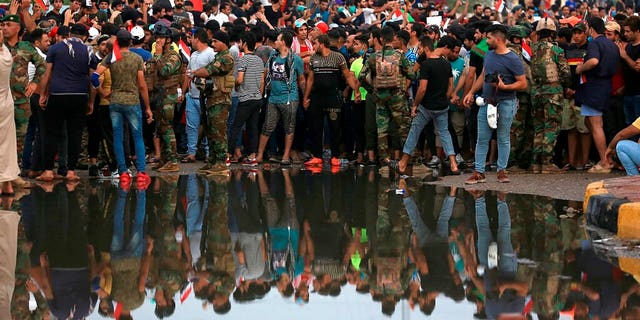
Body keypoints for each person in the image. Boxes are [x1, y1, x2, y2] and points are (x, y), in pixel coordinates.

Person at [463, 24, 527, 184]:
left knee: (503, 137)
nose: (486, 40)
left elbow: (523, 83)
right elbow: (483, 75)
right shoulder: (489, 55)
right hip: (486, 102)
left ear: (498, 39)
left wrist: (505, 87)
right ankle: (479, 172)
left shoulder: (513, 58)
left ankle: (502, 171)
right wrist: (471, 92)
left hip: (506, 102)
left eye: (489, 37)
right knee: (482, 138)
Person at [92, 29, 153, 188]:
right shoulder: (137, 58)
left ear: (117, 42)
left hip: (115, 102)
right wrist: (147, 107)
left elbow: (94, 76)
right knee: (137, 137)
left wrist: (103, 93)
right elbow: (141, 85)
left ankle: (123, 173)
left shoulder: (112, 58)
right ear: (131, 42)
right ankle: (141, 173)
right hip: (132, 101)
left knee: (117, 137)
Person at [37, 24, 94, 182]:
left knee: (52, 132)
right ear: (84, 36)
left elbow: (47, 74)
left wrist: (43, 94)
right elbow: (92, 78)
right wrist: (91, 100)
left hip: (58, 94)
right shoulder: (89, 51)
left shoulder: (55, 48)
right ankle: (70, 172)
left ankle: (48, 170)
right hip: (79, 95)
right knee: (75, 133)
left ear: (69, 34)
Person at [398, 36, 460, 176]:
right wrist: (444, 99)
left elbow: (422, 89)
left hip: (426, 106)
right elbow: (450, 87)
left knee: (414, 131)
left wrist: (415, 105)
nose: (418, 51)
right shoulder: (446, 64)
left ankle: (402, 163)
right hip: (442, 106)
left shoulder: (426, 65)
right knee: (445, 133)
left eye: (420, 49)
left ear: (426, 48)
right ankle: (454, 164)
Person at [303, 34, 360, 166]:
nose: (314, 46)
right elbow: (310, 79)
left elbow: (347, 76)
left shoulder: (338, 57)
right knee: (316, 127)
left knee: (335, 127)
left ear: (322, 44)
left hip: (333, 97)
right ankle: (317, 155)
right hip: (316, 97)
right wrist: (306, 97)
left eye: (315, 43)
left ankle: (335, 156)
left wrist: (356, 90)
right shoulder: (314, 58)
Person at [575, 17, 620, 173]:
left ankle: (604, 161)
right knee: (590, 121)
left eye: (586, 26)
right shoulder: (613, 45)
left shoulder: (595, 43)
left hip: (595, 87)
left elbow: (593, 61)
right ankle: (607, 156)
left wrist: (581, 68)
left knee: (596, 125)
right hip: (605, 85)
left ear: (592, 29)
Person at [256, 31, 305, 165]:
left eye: (278, 40)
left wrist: (305, 96)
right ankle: (259, 155)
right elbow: (266, 72)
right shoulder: (273, 55)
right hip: (273, 98)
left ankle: (285, 155)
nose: (275, 42)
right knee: (268, 126)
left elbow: (301, 79)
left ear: (283, 42)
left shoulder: (296, 59)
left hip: (289, 98)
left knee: (289, 127)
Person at [530, 18, 571, 173]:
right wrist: (566, 86)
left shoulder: (533, 50)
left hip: (536, 94)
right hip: (553, 95)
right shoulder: (557, 50)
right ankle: (547, 163)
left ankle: (536, 164)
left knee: (539, 128)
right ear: (554, 33)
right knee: (551, 127)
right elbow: (565, 73)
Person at [192, 30, 235, 176]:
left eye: (216, 41)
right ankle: (213, 160)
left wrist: (195, 72)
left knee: (219, 132)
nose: (213, 44)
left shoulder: (226, 58)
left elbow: (208, 70)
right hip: (212, 98)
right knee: (211, 131)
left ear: (223, 42)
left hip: (221, 100)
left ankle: (221, 162)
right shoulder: (218, 56)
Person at [228, 31, 264, 165]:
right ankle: (253, 156)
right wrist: (260, 96)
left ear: (245, 44)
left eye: (241, 42)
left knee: (236, 126)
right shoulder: (259, 60)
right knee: (253, 127)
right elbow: (262, 82)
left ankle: (228, 154)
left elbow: (240, 79)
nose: (239, 44)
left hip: (245, 99)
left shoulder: (243, 60)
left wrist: (234, 84)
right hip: (257, 98)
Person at [150, 25, 182, 172]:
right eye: (157, 37)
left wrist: (157, 56)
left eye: (161, 38)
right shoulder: (162, 55)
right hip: (159, 95)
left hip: (169, 95)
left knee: (167, 128)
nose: (158, 40)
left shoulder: (173, 56)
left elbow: (164, 71)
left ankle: (173, 160)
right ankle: (164, 158)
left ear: (168, 39)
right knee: (160, 128)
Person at [181, 28, 215, 164]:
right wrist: (183, 93)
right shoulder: (194, 54)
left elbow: (212, 72)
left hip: (206, 95)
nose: (190, 41)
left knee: (208, 125)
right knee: (191, 126)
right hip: (192, 95)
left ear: (197, 39)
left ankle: (208, 152)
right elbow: (188, 75)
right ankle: (191, 153)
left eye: (192, 38)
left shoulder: (211, 54)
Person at [0, 28, 19, 196]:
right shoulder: (6, 54)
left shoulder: (4, 53)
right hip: (6, 103)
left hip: (4, 102)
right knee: (7, 144)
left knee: (4, 143)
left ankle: (4, 183)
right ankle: (6, 183)